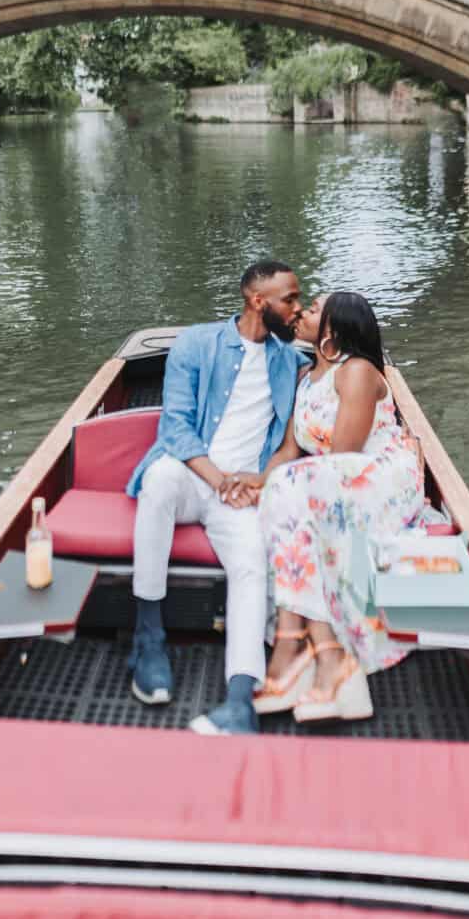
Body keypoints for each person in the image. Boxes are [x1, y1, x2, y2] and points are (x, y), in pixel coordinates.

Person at [126, 259, 303, 735]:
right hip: (192, 475)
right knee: (159, 480)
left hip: (239, 495)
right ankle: (148, 638)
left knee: (252, 562)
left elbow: (289, 442)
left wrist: (256, 481)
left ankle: (241, 698)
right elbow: (175, 429)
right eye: (290, 299)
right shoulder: (196, 343)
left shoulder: (291, 363)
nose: (297, 308)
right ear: (258, 301)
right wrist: (219, 479)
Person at [238, 291, 425, 723]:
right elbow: (289, 451)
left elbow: (344, 454)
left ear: (334, 329)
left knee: (289, 490)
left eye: (313, 309)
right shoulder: (305, 377)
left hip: (378, 475)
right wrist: (253, 481)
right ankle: (325, 652)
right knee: (279, 491)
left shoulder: (356, 371)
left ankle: (291, 643)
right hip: (327, 479)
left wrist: (283, 484)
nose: (302, 312)